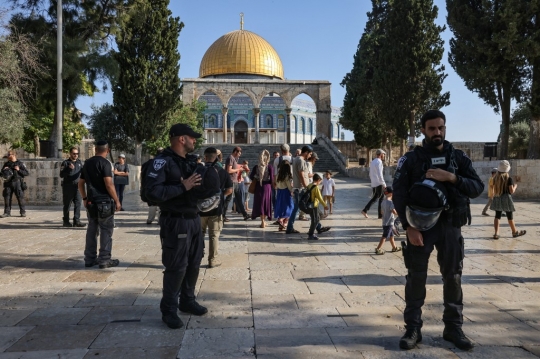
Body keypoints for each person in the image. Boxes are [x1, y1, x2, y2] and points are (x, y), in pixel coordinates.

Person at [393, 109, 484, 351]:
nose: (437, 132)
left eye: (441, 128)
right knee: (416, 278)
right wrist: (408, 227)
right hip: (420, 228)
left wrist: (452, 178)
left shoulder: (458, 158)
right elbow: (399, 194)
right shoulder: (411, 159)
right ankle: (413, 328)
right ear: (422, 130)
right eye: (432, 128)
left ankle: (453, 327)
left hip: (451, 225)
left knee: (453, 276)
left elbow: (477, 187)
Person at [145, 123, 208, 330]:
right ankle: (169, 310)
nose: (195, 141)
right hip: (175, 221)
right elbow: (153, 193)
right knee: (176, 266)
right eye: (192, 137)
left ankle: (187, 301)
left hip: (193, 219)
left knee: (194, 262)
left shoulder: (188, 162)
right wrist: (183, 186)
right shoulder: (162, 162)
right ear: (182, 139)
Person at [78, 141, 121, 269]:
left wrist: (85, 198)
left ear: (95, 149)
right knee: (106, 230)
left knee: (92, 230)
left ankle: (89, 259)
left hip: (91, 202)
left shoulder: (87, 163)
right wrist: (117, 201)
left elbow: (80, 183)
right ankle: (104, 259)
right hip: (104, 203)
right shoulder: (105, 163)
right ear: (107, 150)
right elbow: (109, 184)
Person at [200, 147, 233, 268]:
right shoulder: (222, 172)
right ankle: (212, 260)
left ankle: (197, 257)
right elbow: (229, 190)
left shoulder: (198, 170)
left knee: (199, 234)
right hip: (216, 208)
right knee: (214, 236)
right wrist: (219, 196)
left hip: (200, 209)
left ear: (205, 157)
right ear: (217, 157)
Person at [490, 160, 526, 239]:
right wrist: (515, 186)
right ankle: (514, 232)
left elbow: (494, 188)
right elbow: (511, 191)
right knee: (510, 216)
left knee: (497, 215)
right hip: (506, 197)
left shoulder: (495, 178)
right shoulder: (509, 179)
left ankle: (496, 233)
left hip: (498, 196)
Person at [286, 145, 312, 234]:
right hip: (300, 188)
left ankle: (318, 226)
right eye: (310, 154)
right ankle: (289, 228)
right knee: (302, 207)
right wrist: (306, 186)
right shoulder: (301, 160)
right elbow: (301, 174)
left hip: (298, 188)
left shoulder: (296, 159)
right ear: (306, 152)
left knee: (301, 207)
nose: (310, 156)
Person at [60, 147, 85, 227]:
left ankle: (76, 221)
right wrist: (68, 169)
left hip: (77, 187)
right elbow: (61, 175)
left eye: (77, 153)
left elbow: (83, 173)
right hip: (68, 187)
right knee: (67, 204)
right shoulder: (65, 163)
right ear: (70, 153)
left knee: (78, 204)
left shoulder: (79, 163)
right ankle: (66, 221)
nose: (75, 155)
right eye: (74, 153)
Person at [224, 147, 249, 222]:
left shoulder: (234, 159)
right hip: (231, 181)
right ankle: (222, 215)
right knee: (228, 199)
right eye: (239, 153)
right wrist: (239, 169)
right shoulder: (230, 158)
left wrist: (241, 167)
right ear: (235, 152)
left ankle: (245, 214)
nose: (239, 155)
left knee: (239, 198)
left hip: (235, 181)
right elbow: (229, 170)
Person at [250, 150, 274, 228]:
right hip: (267, 187)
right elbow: (272, 179)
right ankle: (264, 221)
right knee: (266, 203)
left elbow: (251, 177)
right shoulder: (269, 166)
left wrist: (258, 177)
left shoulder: (256, 167)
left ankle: (262, 221)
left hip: (258, 186)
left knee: (260, 203)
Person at [1, 150, 29, 218]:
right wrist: (4, 170)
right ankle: (7, 213)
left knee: (20, 197)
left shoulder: (20, 163)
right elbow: (1, 174)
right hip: (8, 183)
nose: (8, 156)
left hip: (17, 182)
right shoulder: (6, 164)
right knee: (7, 197)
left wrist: (19, 170)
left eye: (9, 154)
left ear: (13, 155)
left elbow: (26, 173)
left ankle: (23, 212)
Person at [375, 187, 401, 254]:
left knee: (391, 236)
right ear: (391, 194)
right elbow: (394, 211)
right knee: (385, 236)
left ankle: (394, 247)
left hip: (385, 222)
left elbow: (381, 212)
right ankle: (378, 249)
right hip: (389, 222)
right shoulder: (390, 202)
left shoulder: (383, 202)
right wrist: (399, 213)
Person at [361, 149, 386, 219]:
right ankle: (380, 215)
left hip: (374, 183)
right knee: (380, 198)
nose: (384, 156)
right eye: (383, 154)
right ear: (381, 154)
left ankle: (365, 210)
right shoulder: (379, 162)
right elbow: (380, 174)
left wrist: (373, 182)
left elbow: (370, 174)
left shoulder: (373, 162)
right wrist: (383, 184)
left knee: (375, 198)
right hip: (379, 183)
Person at [305, 173, 330, 240]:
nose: (320, 182)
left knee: (316, 219)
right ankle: (311, 234)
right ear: (318, 180)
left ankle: (311, 232)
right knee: (315, 220)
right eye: (320, 181)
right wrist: (325, 205)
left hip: (309, 205)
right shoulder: (316, 188)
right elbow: (320, 198)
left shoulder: (309, 185)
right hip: (314, 206)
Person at [274, 160, 294, 231]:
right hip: (286, 192)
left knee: (281, 207)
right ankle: (282, 221)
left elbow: (276, 183)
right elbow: (289, 186)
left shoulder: (278, 175)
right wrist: (292, 191)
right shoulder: (287, 176)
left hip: (279, 191)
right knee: (290, 207)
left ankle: (281, 224)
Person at [145, 148, 164, 225]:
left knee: (152, 203)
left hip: (151, 186)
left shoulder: (150, 162)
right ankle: (160, 219)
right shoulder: (166, 161)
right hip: (161, 186)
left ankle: (150, 219)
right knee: (160, 204)